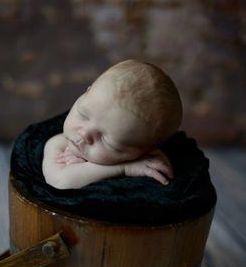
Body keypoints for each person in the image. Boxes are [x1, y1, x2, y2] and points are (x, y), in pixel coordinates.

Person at [42, 59, 182, 190]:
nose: (84, 134)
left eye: (106, 140)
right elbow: (61, 181)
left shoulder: (145, 155)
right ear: (86, 92)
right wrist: (123, 168)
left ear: (143, 152)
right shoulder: (59, 144)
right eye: (83, 115)